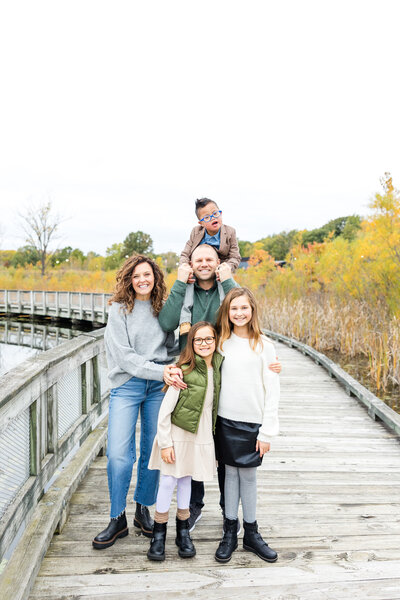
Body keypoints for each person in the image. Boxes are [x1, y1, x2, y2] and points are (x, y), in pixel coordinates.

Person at [159, 244, 281, 532]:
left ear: (218, 262)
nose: (203, 264)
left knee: (224, 450)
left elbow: (242, 307)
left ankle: (230, 512)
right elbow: (166, 322)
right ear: (191, 263)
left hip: (221, 377)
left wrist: (227, 280)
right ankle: (195, 506)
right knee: (195, 441)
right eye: (198, 259)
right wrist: (178, 281)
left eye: (209, 259)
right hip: (192, 375)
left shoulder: (224, 289)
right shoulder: (185, 288)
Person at [92, 255, 180, 550]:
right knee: (118, 454)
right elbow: (125, 357)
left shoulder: (163, 309)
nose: (143, 280)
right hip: (126, 385)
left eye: (148, 275)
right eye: (136, 276)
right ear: (129, 279)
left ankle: (143, 509)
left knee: (152, 451)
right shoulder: (118, 310)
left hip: (158, 388)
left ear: (156, 277)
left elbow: (171, 348)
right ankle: (117, 517)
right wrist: (161, 371)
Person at [146, 321, 223, 561]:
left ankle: (183, 531)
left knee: (187, 480)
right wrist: (166, 443)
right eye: (198, 339)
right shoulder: (183, 371)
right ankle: (158, 533)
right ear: (191, 343)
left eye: (209, 339)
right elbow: (164, 412)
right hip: (177, 434)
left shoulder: (219, 368)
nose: (204, 344)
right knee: (168, 481)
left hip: (199, 434)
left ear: (216, 341)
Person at [214, 287, 280, 563]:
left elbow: (273, 390)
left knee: (249, 477)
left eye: (244, 308)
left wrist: (267, 431)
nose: (239, 313)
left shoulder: (265, 346)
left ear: (252, 310)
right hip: (226, 421)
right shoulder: (220, 343)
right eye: (234, 308)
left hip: (253, 423)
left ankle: (251, 533)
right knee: (229, 475)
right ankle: (230, 530)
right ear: (226, 312)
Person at [178, 198, 241, 335]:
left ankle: (222, 319)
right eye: (207, 217)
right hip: (199, 268)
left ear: (221, 213)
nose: (213, 218)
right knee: (189, 284)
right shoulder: (196, 232)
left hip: (220, 269)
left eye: (215, 213)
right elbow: (185, 253)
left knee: (225, 290)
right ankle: (185, 321)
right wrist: (185, 268)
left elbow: (235, 256)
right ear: (201, 222)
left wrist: (226, 268)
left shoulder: (230, 232)